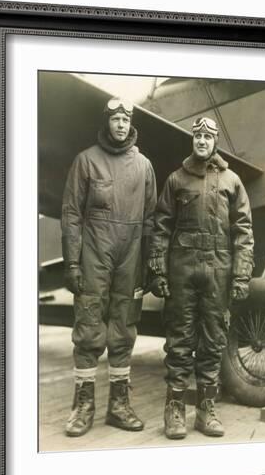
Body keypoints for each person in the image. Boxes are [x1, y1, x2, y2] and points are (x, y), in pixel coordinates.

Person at [148, 116, 254, 440]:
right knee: (179, 341)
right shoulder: (177, 180)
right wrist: (158, 270)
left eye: (208, 137)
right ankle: (175, 409)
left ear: (216, 141)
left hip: (218, 272)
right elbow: (161, 227)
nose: (202, 141)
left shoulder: (232, 182)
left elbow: (244, 232)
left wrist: (241, 276)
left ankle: (206, 410)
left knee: (213, 341)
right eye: (198, 137)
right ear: (192, 141)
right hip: (183, 271)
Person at [61, 97, 157, 437]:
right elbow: (72, 215)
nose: (120, 124)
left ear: (131, 124)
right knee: (88, 328)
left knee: (124, 327)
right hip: (93, 257)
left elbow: (150, 220)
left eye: (125, 119)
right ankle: (83, 406)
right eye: (115, 118)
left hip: (129, 259)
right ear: (107, 122)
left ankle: (119, 405)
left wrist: (149, 263)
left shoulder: (144, 166)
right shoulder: (86, 161)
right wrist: (73, 261)